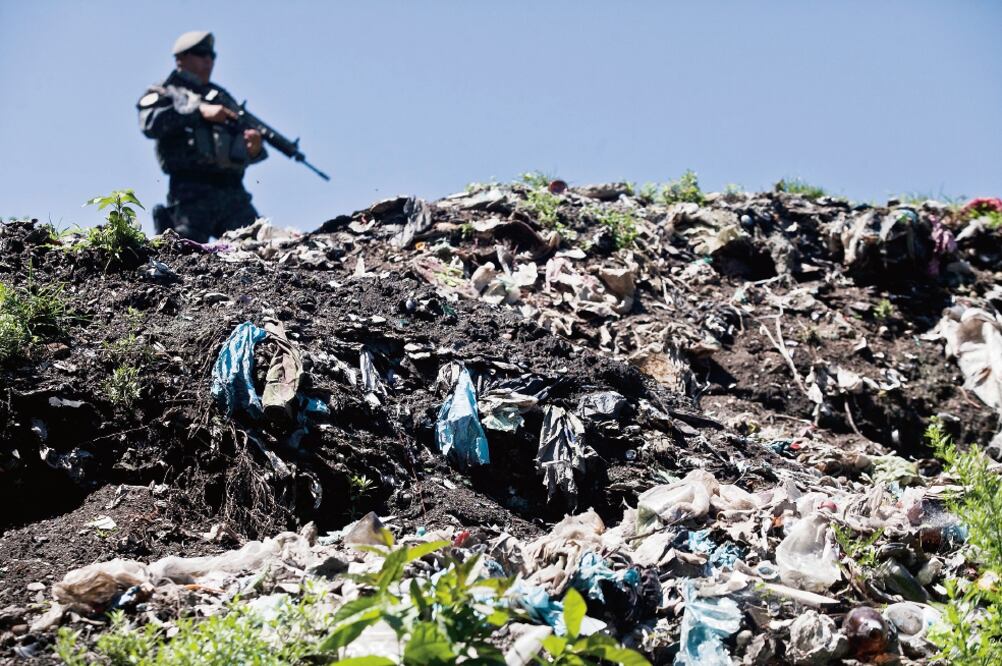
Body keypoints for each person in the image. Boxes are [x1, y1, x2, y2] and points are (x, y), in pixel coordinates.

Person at [137, 31, 266, 242]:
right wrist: (198, 112)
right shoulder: (166, 92)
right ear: (181, 58)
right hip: (190, 191)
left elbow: (243, 141)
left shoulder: (222, 97)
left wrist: (255, 148)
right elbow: (151, 123)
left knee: (260, 244)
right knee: (185, 249)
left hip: (233, 192)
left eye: (211, 55)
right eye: (200, 53)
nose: (208, 60)